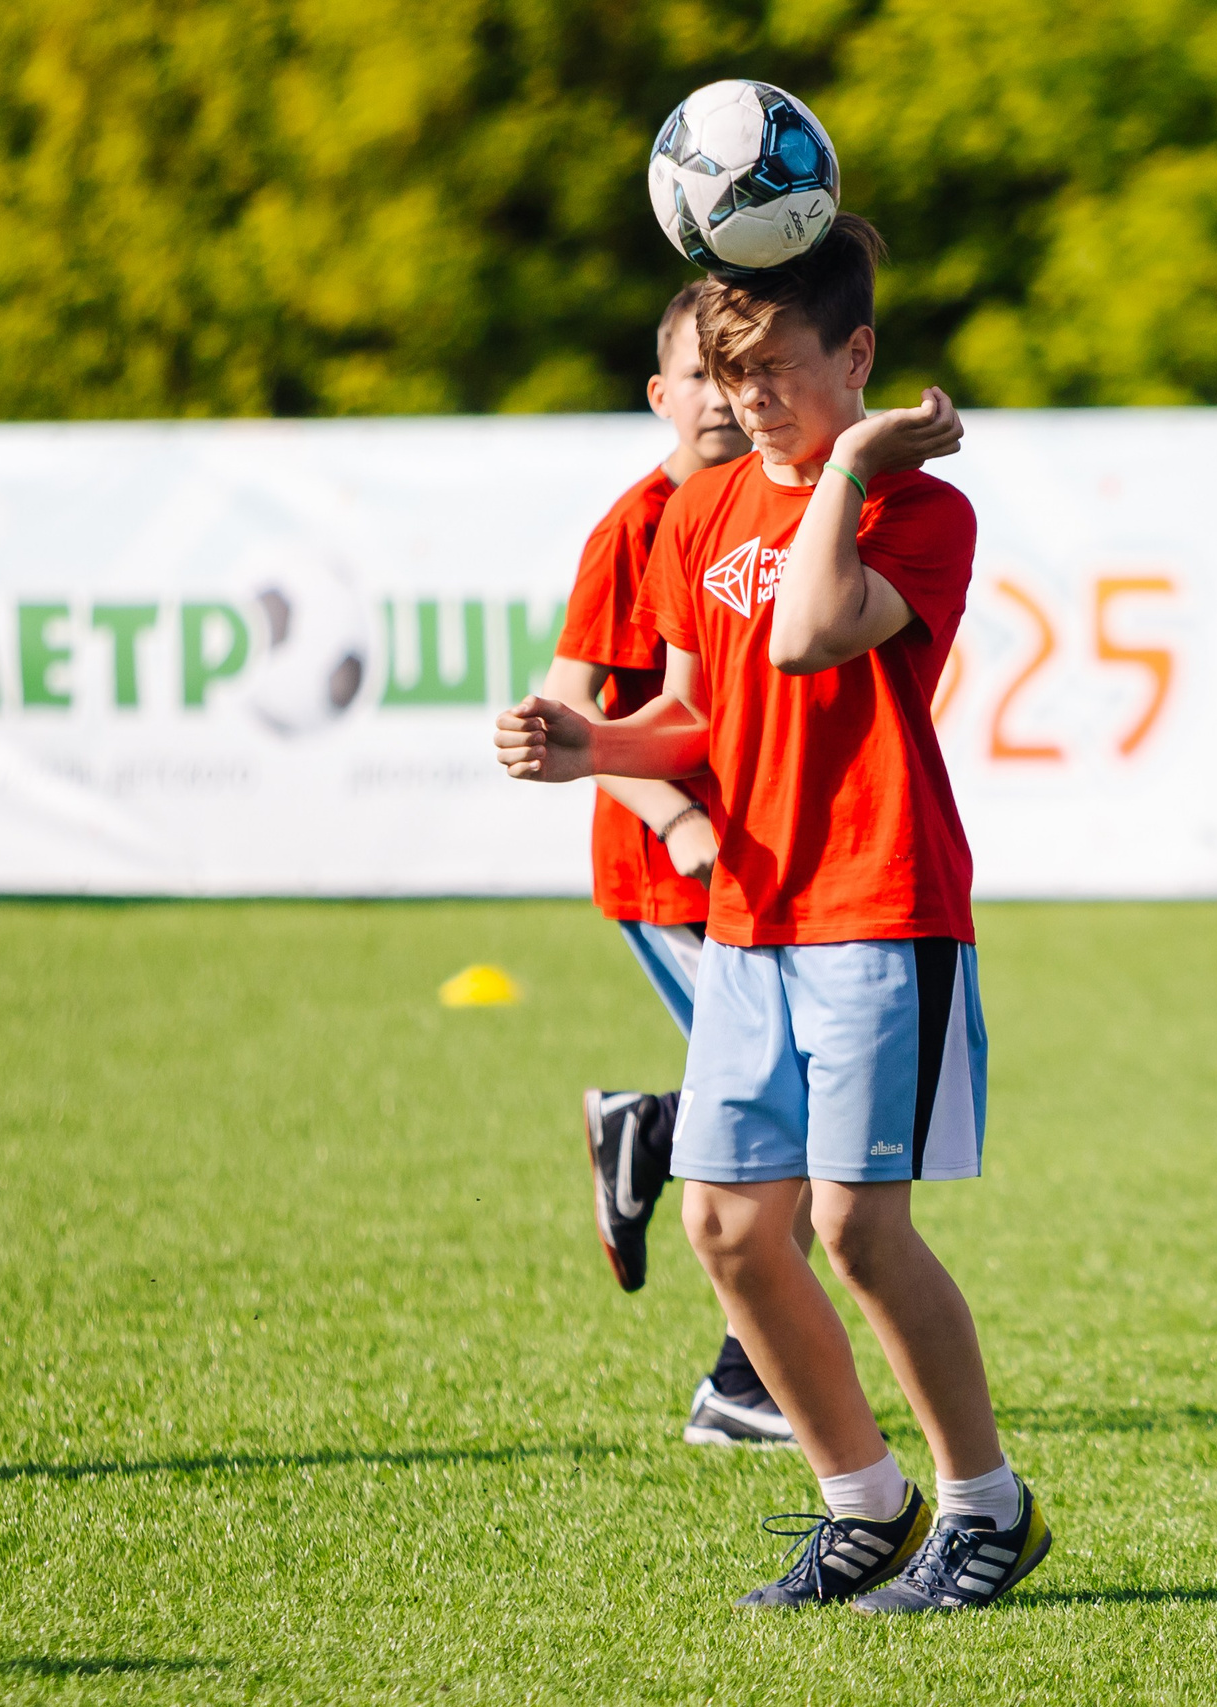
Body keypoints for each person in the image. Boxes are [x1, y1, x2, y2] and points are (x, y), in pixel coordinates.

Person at [494, 215, 1048, 1614]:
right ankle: (863, 1501)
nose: (749, 402)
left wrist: (849, 462)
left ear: (857, 354)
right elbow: (695, 711)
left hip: (879, 899)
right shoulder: (698, 508)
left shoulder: (922, 508)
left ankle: (987, 1505)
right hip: (748, 912)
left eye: (778, 372)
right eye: (730, 379)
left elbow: (805, 633)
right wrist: (591, 747)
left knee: (859, 1225)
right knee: (731, 1229)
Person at [543, 280, 814, 1450]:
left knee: (794, 1110)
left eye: (736, 370)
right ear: (661, 394)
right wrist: (680, 822)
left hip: (763, 869)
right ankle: (742, 1383)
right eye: (697, 374)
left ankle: (655, 1131)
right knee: (793, 1113)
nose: (719, 396)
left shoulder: (770, 507)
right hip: (678, 876)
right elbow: (576, 709)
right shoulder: (638, 524)